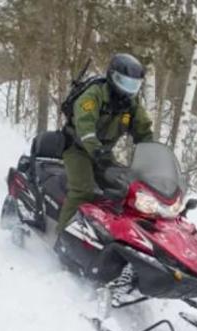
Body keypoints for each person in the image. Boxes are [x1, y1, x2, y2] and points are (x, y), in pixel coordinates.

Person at [58, 53, 154, 232]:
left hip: (103, 153)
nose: (129, 89)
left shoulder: (131, 103)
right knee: (83, 191)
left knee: (124, 190)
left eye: (134, 85)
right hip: (77, 148)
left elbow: (143, 129)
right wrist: (95, 151)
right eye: (125, 83)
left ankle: (115, 234)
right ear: (112, 76)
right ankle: (62, 234)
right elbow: (84, 127)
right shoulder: (94, 94)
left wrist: (152, 153)